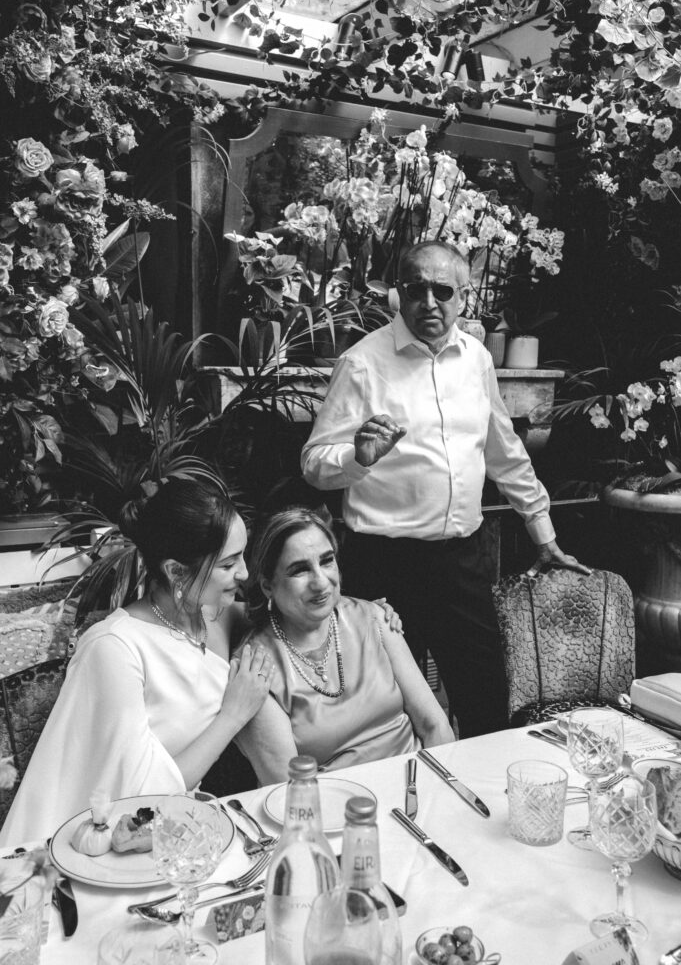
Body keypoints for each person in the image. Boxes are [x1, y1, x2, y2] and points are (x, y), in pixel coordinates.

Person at [301, 241, 589, 739]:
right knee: (387, 717)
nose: (429, 303)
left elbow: (504, 451)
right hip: (384, 564)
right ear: (399, 293)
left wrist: (542, 532)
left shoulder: (476, 358)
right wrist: (357, 458)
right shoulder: (361, 363)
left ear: (463, 295)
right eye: (416, 290)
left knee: (486, 700)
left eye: (443, 291)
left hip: (463, 561)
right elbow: (313, 463)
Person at [1, 477, 274, 844]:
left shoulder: (216, 616)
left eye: (242, 555)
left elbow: (285, 614)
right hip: (100, 840)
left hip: (182, 830)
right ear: (176, 571)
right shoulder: (115, 648)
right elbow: (143, 796)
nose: (244, 573)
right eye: (227, 564)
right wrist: (234, 715)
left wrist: (356, 612)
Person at [234, 507, 454, 785]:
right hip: (336, 804)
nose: (320, 582)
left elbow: (435, 726)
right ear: (268, 585)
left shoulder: (375, 618)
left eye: (327, 561)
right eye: (300, 570)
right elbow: (289, 787)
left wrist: (437, 791)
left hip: (417, 785)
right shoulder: (256, 668)